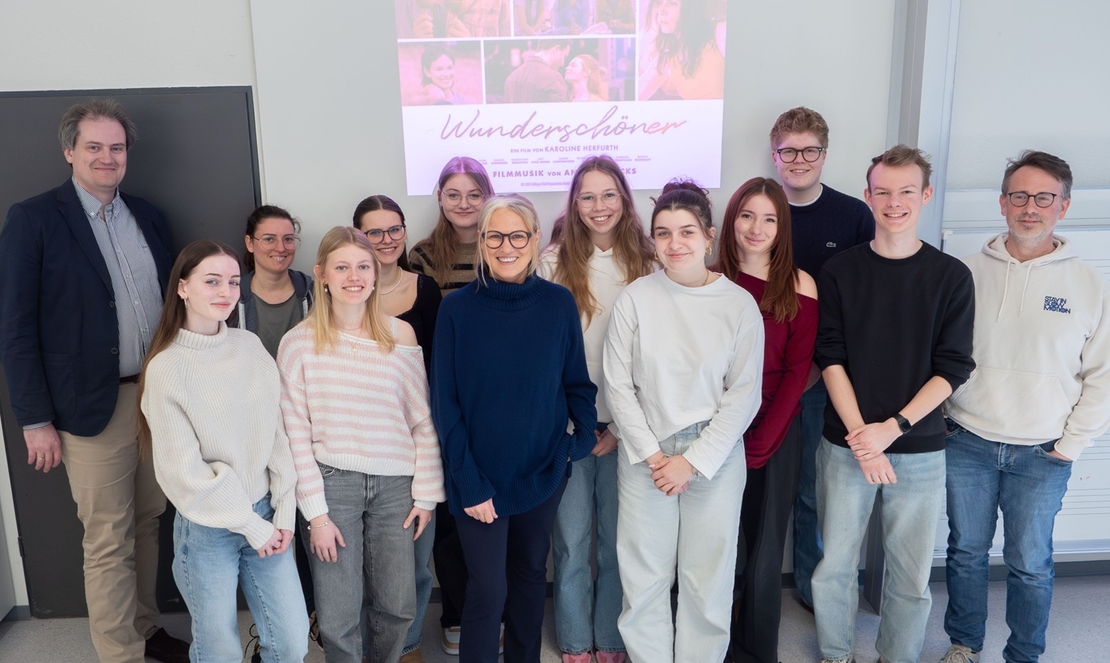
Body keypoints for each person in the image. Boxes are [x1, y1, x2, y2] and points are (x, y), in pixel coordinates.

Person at [0, 99, 188, 663]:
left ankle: (145, 629)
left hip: (155, 401)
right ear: (69, 152)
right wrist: (34, 419)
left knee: (150, 522)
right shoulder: (34, 219)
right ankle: (119, 654)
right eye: (95, 147)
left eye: (117, 147)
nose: (107, 157)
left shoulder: (149, 217)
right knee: (108, 538)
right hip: (87, 408)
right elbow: (14, 328)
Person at [940, 151, 1110, 663]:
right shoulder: (963, 273)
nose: (1029, 208)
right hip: (966, 440)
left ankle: (1024, 655)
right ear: (1002, 203)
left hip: (1042, 452)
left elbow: (1102, 375)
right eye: (1019, 196)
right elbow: (939, 354)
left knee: (1029, 562)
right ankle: (964, 645)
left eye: (1043, 198)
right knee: (965, 553)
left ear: (1063, 206)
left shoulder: (1090, 285)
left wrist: (1070, 444)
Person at [811, 146, 975, 663]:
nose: (894, 201)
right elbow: (830, 357)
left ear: (925, 196)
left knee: (910, 575)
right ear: (868, 196)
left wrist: (893, 429)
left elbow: (953, 368)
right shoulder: (838, 271)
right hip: (846, 444)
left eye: (906, 190)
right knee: (834, 565)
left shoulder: (951, 276)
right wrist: (865, 437)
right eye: (882, 191)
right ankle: (836, 654)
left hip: (919, 447)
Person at [432, 194, 597, 663]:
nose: (507, 246)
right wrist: (468, 481)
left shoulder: (558, 304)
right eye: (495, 236)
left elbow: (577, 384)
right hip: (477, 479)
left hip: (542, 472)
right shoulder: (457, 310)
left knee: (528, 578)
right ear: (481, 242)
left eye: (517, 235)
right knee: (487, 588)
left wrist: (575, 445)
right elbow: (446, 405)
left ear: (535, 238)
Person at [604, 181, 763, 663]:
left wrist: (690, 463)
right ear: (652, 239)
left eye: (687, 232)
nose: (675, 244)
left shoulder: (738, 304)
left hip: (711, 456)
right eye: (664, 233)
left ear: (709, 237)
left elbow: (743, 396)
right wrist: (656, 458)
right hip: (644, 455)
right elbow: (618, 386)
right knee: (645, 577)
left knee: (707, 578)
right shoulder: (635, 298)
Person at [278, 227, 445, 663]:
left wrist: (426, 495)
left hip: (397, 488)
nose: (354, 276)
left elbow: (422, 423)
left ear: (376, 274)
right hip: (334, 488)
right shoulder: (297, 344)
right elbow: (295, 435)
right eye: (342, 267)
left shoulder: (401, 336)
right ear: (322, 275)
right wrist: (315, 514)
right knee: (338, 613)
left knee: (398, 606)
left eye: (363, 266)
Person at [138, 240, 308, 662]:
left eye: (233, 281)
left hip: (267, 513)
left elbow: (277, 437)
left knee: (291, 644)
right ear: (182, 288)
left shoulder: (249, 346)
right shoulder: (166, 367)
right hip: (207, 528)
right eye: (211, 281)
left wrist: (283, 513)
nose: (225, 292)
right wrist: (252, 526)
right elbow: (184, 474)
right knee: (220, 653)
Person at [538, 156, 655, 663]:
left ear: (624, 199)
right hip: (569, 425)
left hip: (630, 425)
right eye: (587, 196)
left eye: (608, 194)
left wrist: (621, 428)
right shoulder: (550, 264)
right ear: (574, 204)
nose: (598, 205)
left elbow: (655, 359)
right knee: (571, 542)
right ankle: (575, 642)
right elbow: (543, 358)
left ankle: (609, 638)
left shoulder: (649, 263)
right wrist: (580, 426)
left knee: (616, 545)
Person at [770, 106, 874, 611]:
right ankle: (752, 587)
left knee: (812, 492)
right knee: (760, 487)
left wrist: (818, 372)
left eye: (809, 150)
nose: (799, 159)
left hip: (826, 380)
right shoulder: (761, 211)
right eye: (789, 150)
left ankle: (815, 590)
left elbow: (862, 302)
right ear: (775, 155)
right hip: (766, 377)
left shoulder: (853, 215)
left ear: (825, 155)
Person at [713, 177, 818, 663]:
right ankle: (715, 646)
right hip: (714, 431)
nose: (757, 228)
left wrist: (764, 440)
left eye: (769, 219)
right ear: (731, 220)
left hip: (776, 429)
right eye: (747, 215)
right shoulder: (710, 279)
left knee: (763, 549)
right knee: (716, 546)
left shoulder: (800, 283)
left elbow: (799, 369)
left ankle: (757, 653)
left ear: (782, 227)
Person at [407, 156, 495, 656]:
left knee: (496, 508)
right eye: (454, 194)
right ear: (439, 197)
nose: (464, 204)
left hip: (495, 394)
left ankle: (493, 607)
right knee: (451, 512)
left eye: (474, 194)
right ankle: (459, 612)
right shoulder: (421, 256)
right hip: (443, 393)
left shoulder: (503, 246)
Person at [353, 194, 443, 663]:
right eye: (374, 231)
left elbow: (436, 371)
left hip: (413, 439)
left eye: (394, 229)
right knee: (369, 561)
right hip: (359, 441)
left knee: (415, 555)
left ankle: (405, 646)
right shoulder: (343, 290)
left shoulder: (425, 289)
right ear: (358, 237)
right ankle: (372, 646)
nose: (386, 240)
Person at [236, 205, 314, 358]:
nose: (281, 248)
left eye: (288, 239)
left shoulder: (313, 293)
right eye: (269, 239)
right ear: (250, 243)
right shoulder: (232, 297)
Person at [638, 0, 726, 100]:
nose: (661, 11)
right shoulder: (667, 58)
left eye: (672, 3)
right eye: (659, 2)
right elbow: (635, 96)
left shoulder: (720, 32)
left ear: (689, 8)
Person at [503, 40, 572, 103]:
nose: (563, 63)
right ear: (557, 49)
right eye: (564, 56)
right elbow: (562, 113)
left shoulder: (511, 78)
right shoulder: (553, 77)